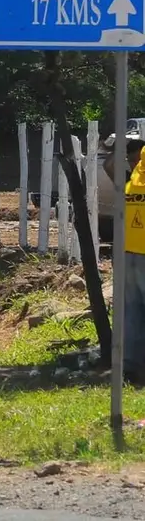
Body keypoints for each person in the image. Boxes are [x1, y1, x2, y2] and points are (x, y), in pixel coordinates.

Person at [124, 147, 145, 385]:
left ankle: (130, 365)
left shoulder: (132, 185)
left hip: (129, 255)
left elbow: (110, 166)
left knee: (131, 311)